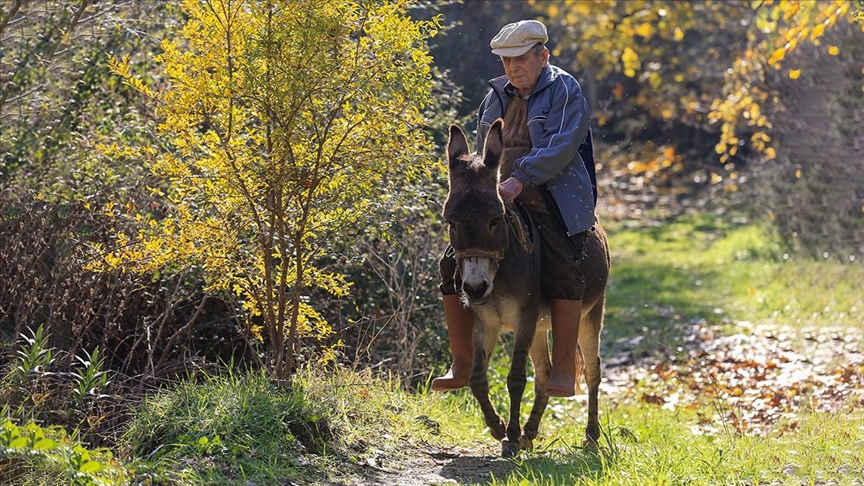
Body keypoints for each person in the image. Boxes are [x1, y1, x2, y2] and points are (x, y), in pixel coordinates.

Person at [432, 19, 598, 398]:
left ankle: (562, 370)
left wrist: (520, 178)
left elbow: (562, 145)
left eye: (520, 60)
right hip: (501, 196)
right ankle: (462, 362)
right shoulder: (495, 96)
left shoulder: (564, 90)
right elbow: (481, 155)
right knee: (450, 259)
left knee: (563, 262)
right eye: (506, 62)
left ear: (543, 56)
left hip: (554, 195)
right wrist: (479, 188)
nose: (512, 68)